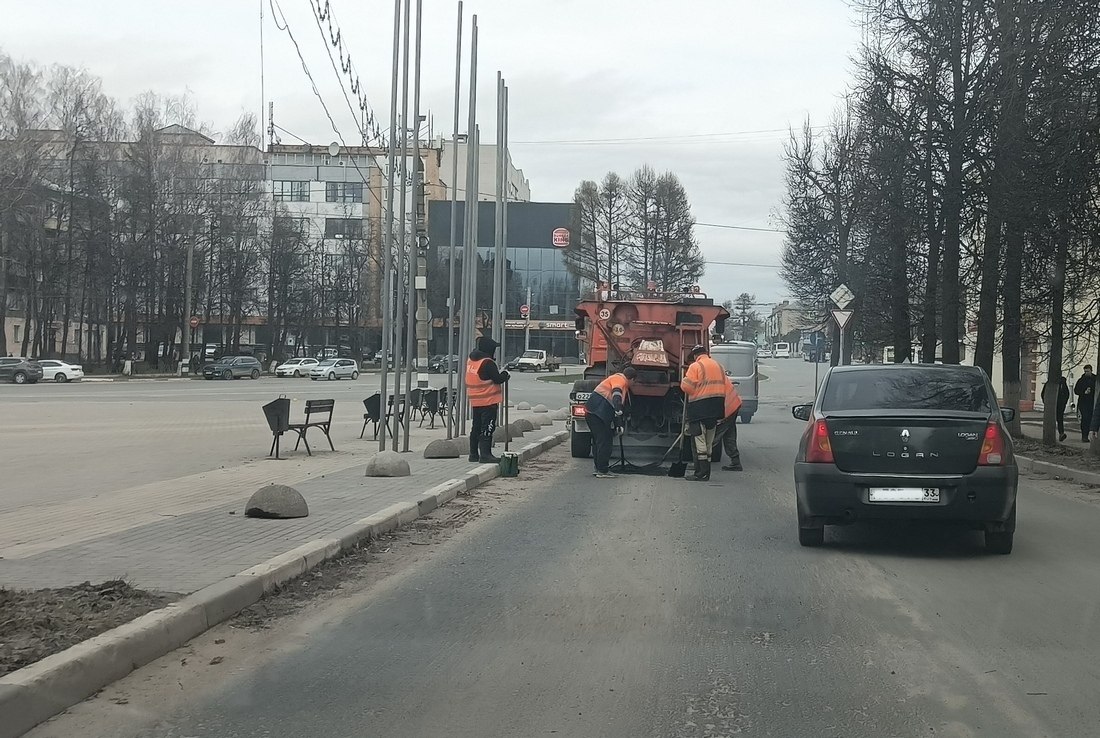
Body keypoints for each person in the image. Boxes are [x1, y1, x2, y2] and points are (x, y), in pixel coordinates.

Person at [680, 344, 726, 482]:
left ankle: (701, 472)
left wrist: (684, 380)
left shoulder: (695, 366)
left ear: (695, 355)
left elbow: (688, 387)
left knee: (699, 440)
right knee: (709, 441)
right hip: (717, 407)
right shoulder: (719, 366)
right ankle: (707, 473)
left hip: (700, 408)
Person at [584, 366, 637, 478]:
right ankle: (602, 470)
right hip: (597, 413)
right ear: (631, 379)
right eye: (634, 381)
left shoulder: (619, 381)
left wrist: (618, 425)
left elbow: (615, 408)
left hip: (593, 412)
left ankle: (599, 468)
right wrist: (618, 409)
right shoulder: (620, 380)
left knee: (599, 441)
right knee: (605, 441)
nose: (633, 384)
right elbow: (616, 396)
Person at [465, 336, 510, 463]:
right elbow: (497, 379)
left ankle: (473, 454)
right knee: (487, 427)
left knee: (476, 427)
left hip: (475, 401)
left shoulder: (472, 360)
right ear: (489, 350)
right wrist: (505, 374)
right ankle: (485, 455)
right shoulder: (487, 363)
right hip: (488, 400)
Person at [717, 377, 744, 471]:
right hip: (733, 403)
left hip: (727, 406)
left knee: (713, 436)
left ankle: (702, 464)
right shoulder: (715, 369)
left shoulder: (698, 371)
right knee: (729, 433)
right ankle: (736, 462)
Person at [1075, 366, 1096, 442]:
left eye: (1088, 371)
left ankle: (1093, 435)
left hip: (1093, 402)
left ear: (1091, 371)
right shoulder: (1081, 380)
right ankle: (1084, 436)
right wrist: (1084, 392)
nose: (1086, 373)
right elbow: (1076, 390)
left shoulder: (1095, 379)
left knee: (1092, 419)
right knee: (1085, 419)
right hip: (1083, 402)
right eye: (1085, 371)